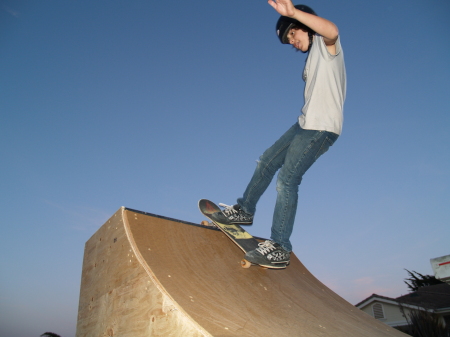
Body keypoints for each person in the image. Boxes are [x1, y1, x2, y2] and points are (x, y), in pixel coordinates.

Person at [218, 0, 346, 267]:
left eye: (293, 34)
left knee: (287, 179)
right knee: (267, 161)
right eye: (289, 40)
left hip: (321, 128)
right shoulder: (311, 60)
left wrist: (294, 14)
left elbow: (332, 31)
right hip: (304, 124)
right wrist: (292, 24)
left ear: (304, 26)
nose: (293, 42)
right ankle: (244, 210)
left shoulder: (325, 46)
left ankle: (279, 246)